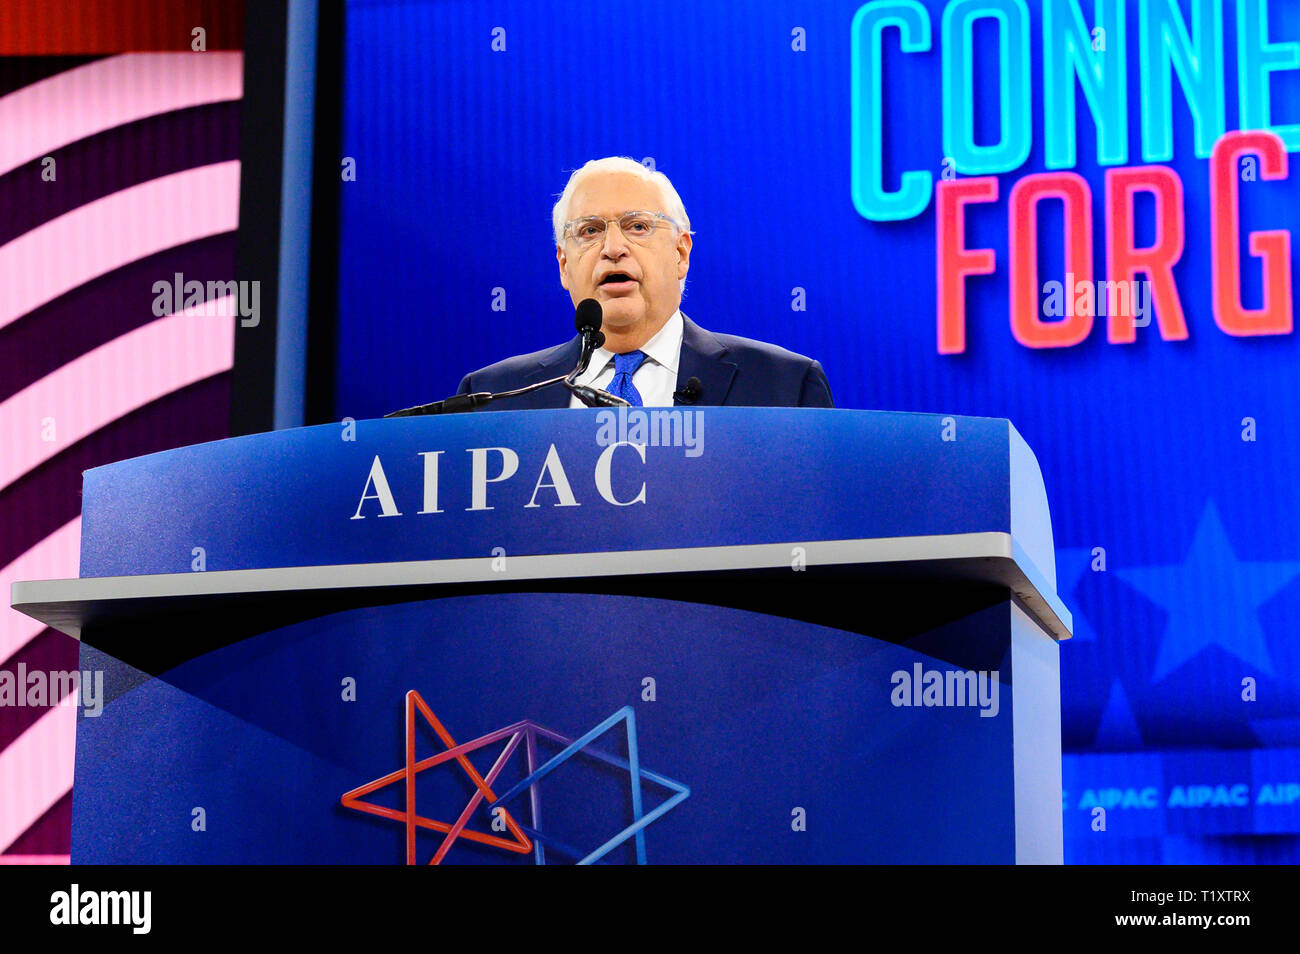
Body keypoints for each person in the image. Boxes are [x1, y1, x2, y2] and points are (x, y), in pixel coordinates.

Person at [457, 156, 833, 409]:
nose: (613, 248)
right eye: (589, 231)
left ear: (681, 254)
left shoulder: (785, 388)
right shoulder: (492, 399)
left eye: (638, 226)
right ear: (563, 265)